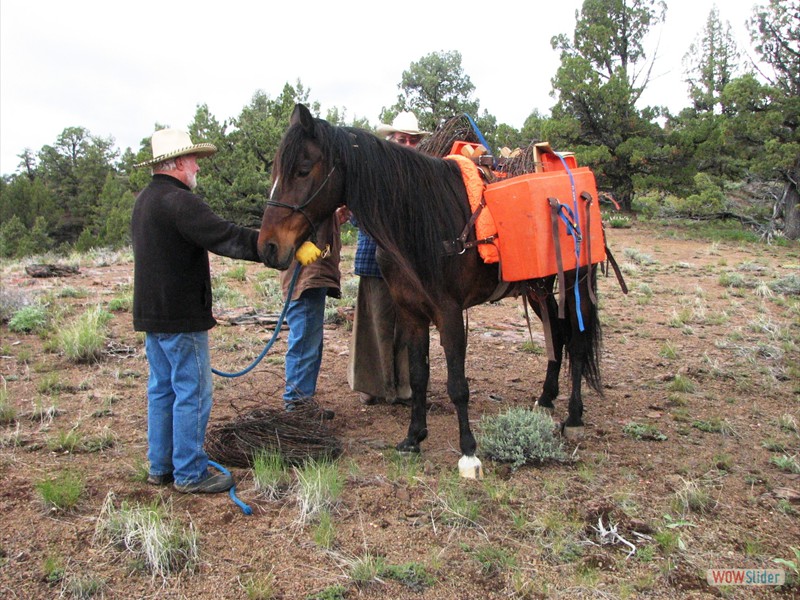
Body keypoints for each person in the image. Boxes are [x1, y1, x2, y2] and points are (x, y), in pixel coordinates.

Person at [132, 128, 262, 494]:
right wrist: (272, 247)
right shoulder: (180, 201)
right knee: (193, 391)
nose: (197, 168)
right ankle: (189, 473)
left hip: (153, 316)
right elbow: (226, 236)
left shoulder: (145, 199)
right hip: (180, 317)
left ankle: (161, 467)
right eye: (192, 161)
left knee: (162, 390)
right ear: (175, 164)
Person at [347, 112, 430, 405]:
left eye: (412, 140)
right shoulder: (371, 171)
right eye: (401, 139)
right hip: (374, 259)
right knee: (375, 324)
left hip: (410, 265)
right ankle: (374, 387)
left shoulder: (422, 175)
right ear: (390, 140)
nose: (407, 144)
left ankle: (406, 388)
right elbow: (356, 215)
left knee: (409, 324)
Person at [279, 206, 347, 417]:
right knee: (304, 343)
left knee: (311, 343)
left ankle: (302, 401)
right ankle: (296, 406)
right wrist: (298, 245)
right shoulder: (297, 197)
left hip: (312, 278)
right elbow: (283, 228)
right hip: (304, 279)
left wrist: (334, 219)